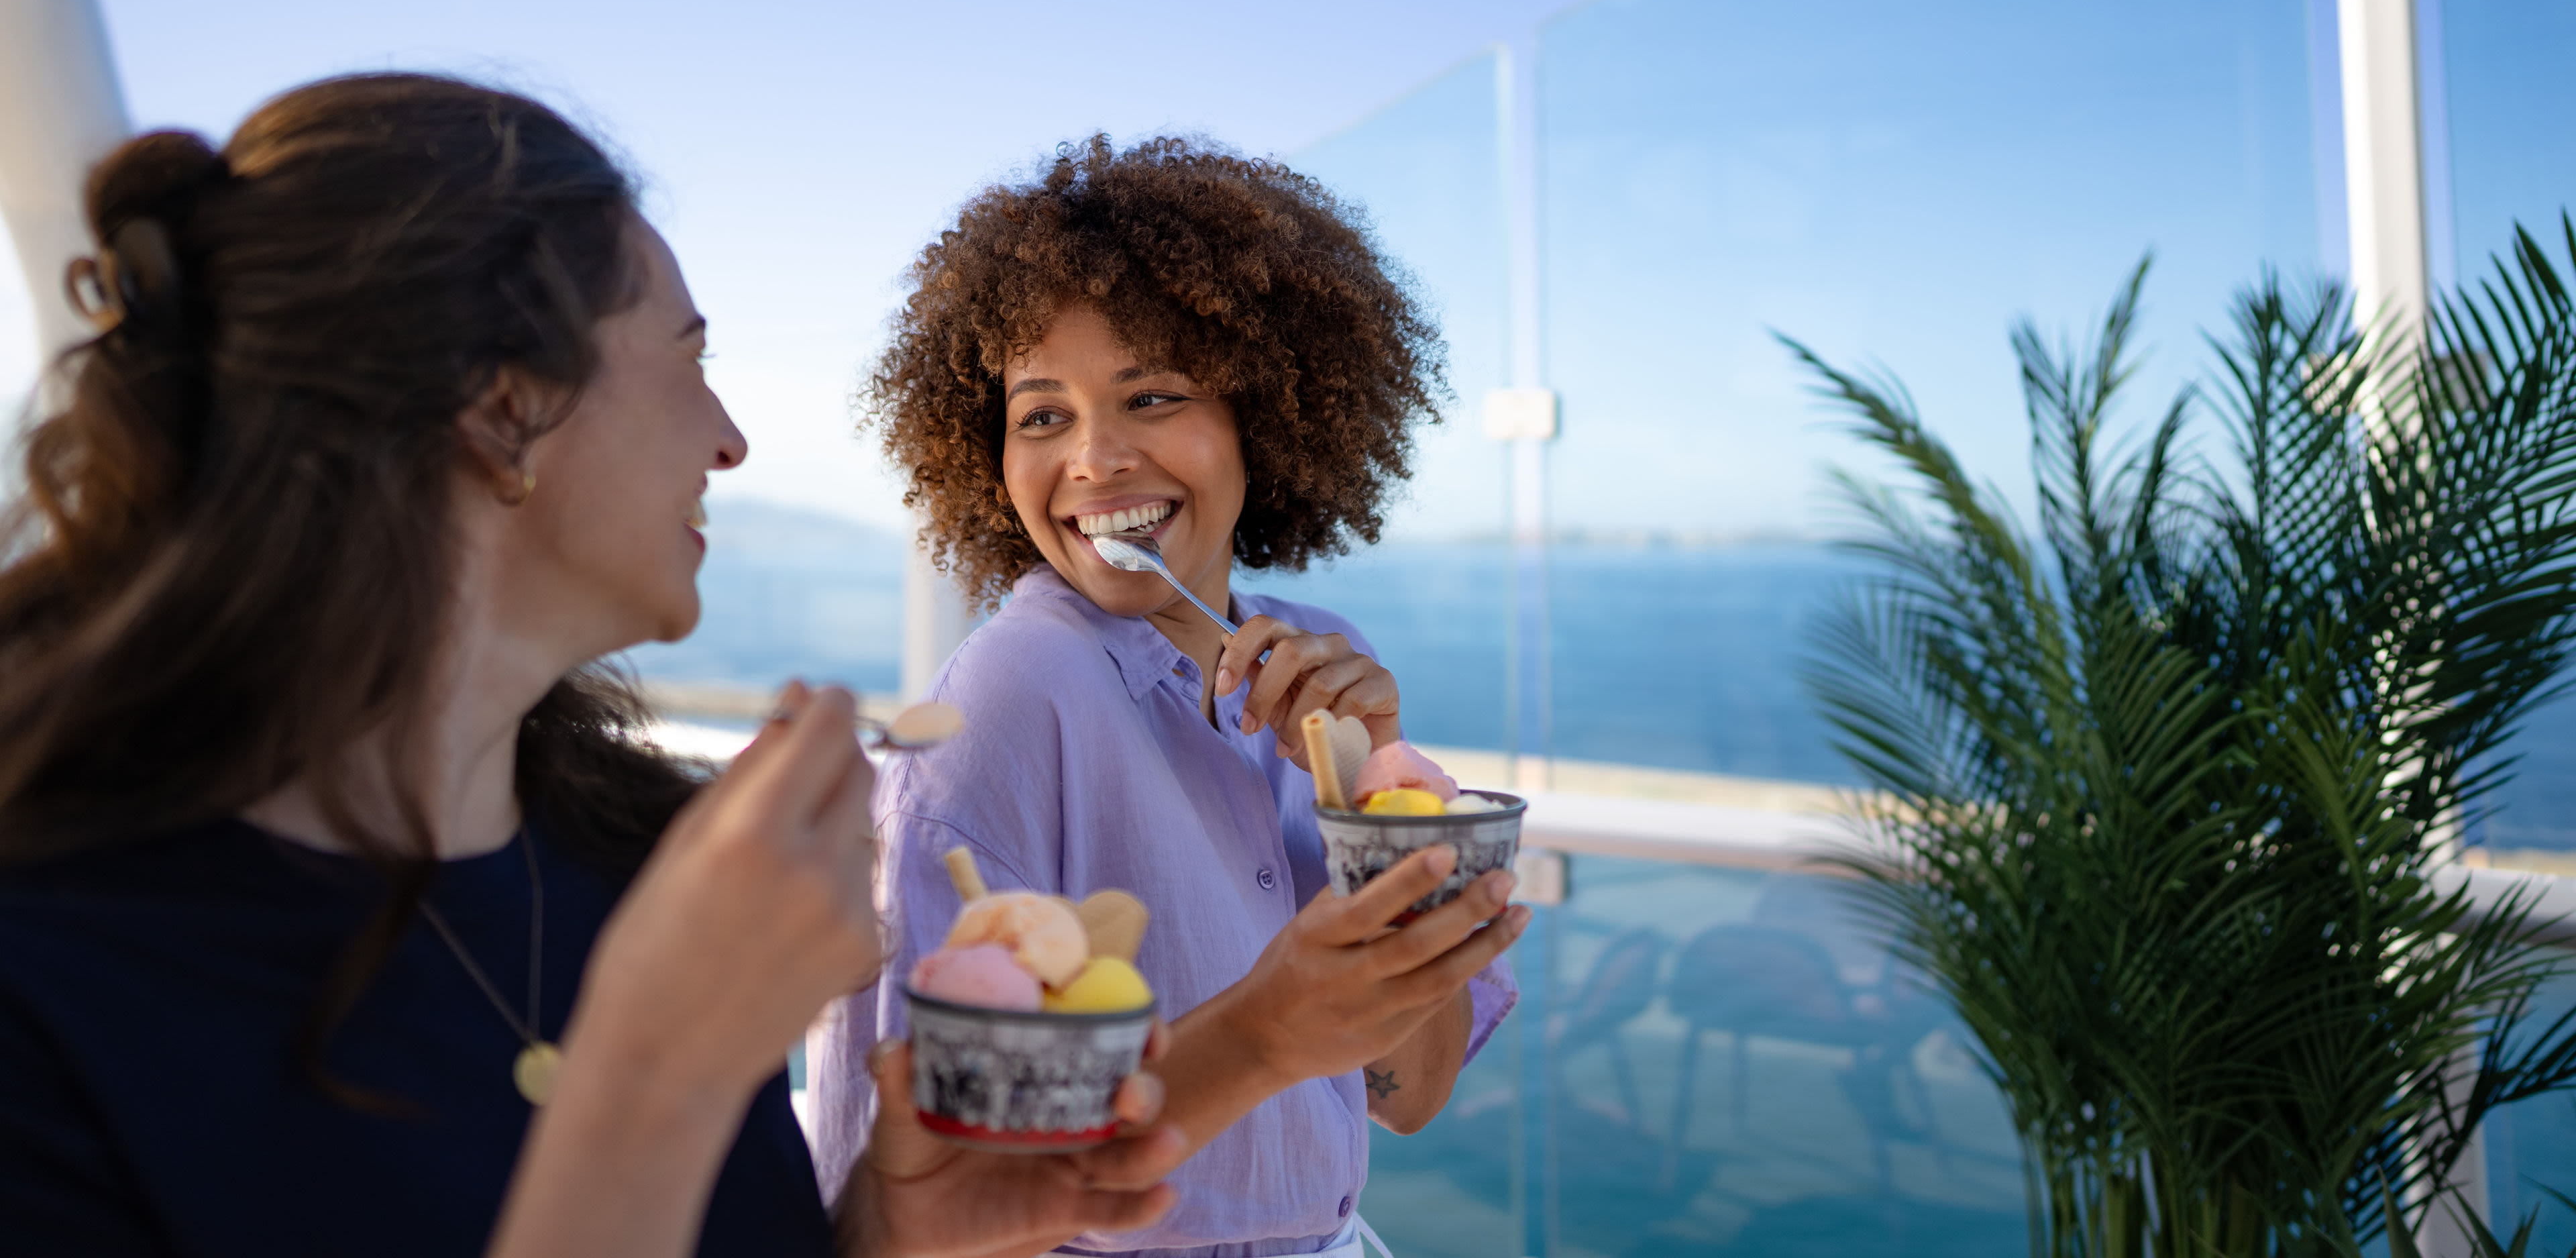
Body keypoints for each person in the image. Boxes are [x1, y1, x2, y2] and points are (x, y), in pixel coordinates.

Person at [0, 73, 1189, 1257]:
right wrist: (656, 1075)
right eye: (687, 358)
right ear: (504, 406)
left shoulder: (626, 860)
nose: (729, 438)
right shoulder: (52, 987)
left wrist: (881, 1239)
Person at [810, 135, 1532, 1257]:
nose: (1094, 459)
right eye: (1042, 415)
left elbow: (1407, 1090)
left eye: (1150, 395)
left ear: (1268, 416)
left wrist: (1371, 808)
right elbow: (913, 1201)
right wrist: (1262, 1031)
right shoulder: (1010, 701)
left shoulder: (1324, 658)